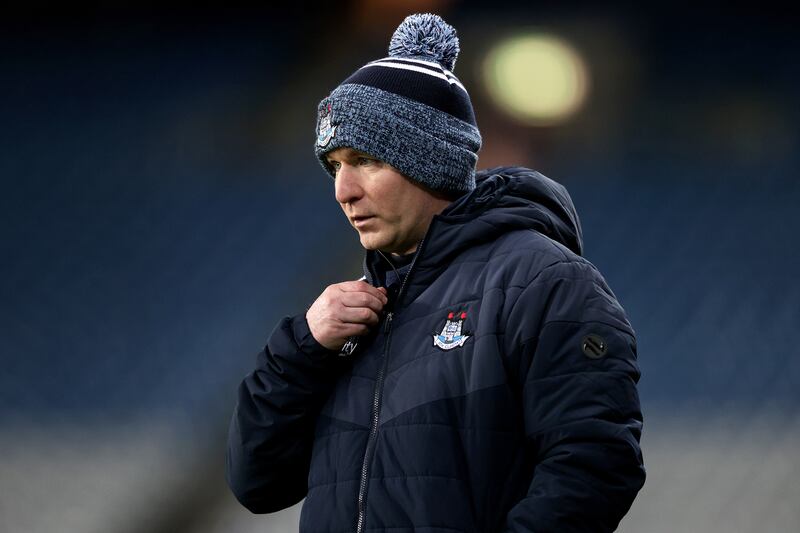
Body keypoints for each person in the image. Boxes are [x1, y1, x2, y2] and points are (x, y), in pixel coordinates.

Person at [226, 13, 645, 533]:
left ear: (429, 161)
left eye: (365, 160)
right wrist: (303, 349)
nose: (343, 190)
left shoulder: (543, 282)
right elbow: (258, 483)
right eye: (334, 165)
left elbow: (596, 467)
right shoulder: (351, 317)